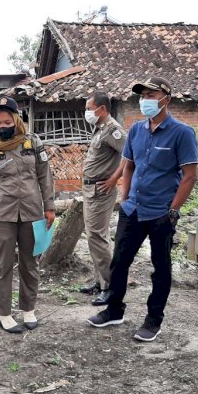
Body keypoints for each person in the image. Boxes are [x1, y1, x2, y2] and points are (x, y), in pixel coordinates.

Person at [87, 77, 198, 342]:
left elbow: (190, 176)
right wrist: (125, 198)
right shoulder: (136, 130)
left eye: (151, 94)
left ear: (166, 99)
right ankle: (114, 311)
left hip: (160, 213)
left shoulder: (182, 133)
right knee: (119, 262)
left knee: (160, 268)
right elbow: (129, 164)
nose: (146, 99)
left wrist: (173, 210)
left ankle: (152, 321)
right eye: (143, 95)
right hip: (133, 209)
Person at [0, 96, 55, 334]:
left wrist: (49, 206)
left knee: (30, 262)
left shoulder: (33, 143)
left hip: (32, 211)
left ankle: (28, 309)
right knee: (3, 265)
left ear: (16, 120)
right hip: (3, 215)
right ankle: (4, 313)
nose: (2, 126)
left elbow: (44, 176)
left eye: (6, 121)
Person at [80, 91, 127, 306]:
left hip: (101, 191)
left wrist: (115, 178)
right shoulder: (99, 128)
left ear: (102, 109)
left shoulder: (113, 130)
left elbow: (130, 156)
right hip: (91, 190)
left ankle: (111, 287)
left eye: (90, 108)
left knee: (97, 238)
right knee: (96, 238)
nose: (87, 112)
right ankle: (100, 282)